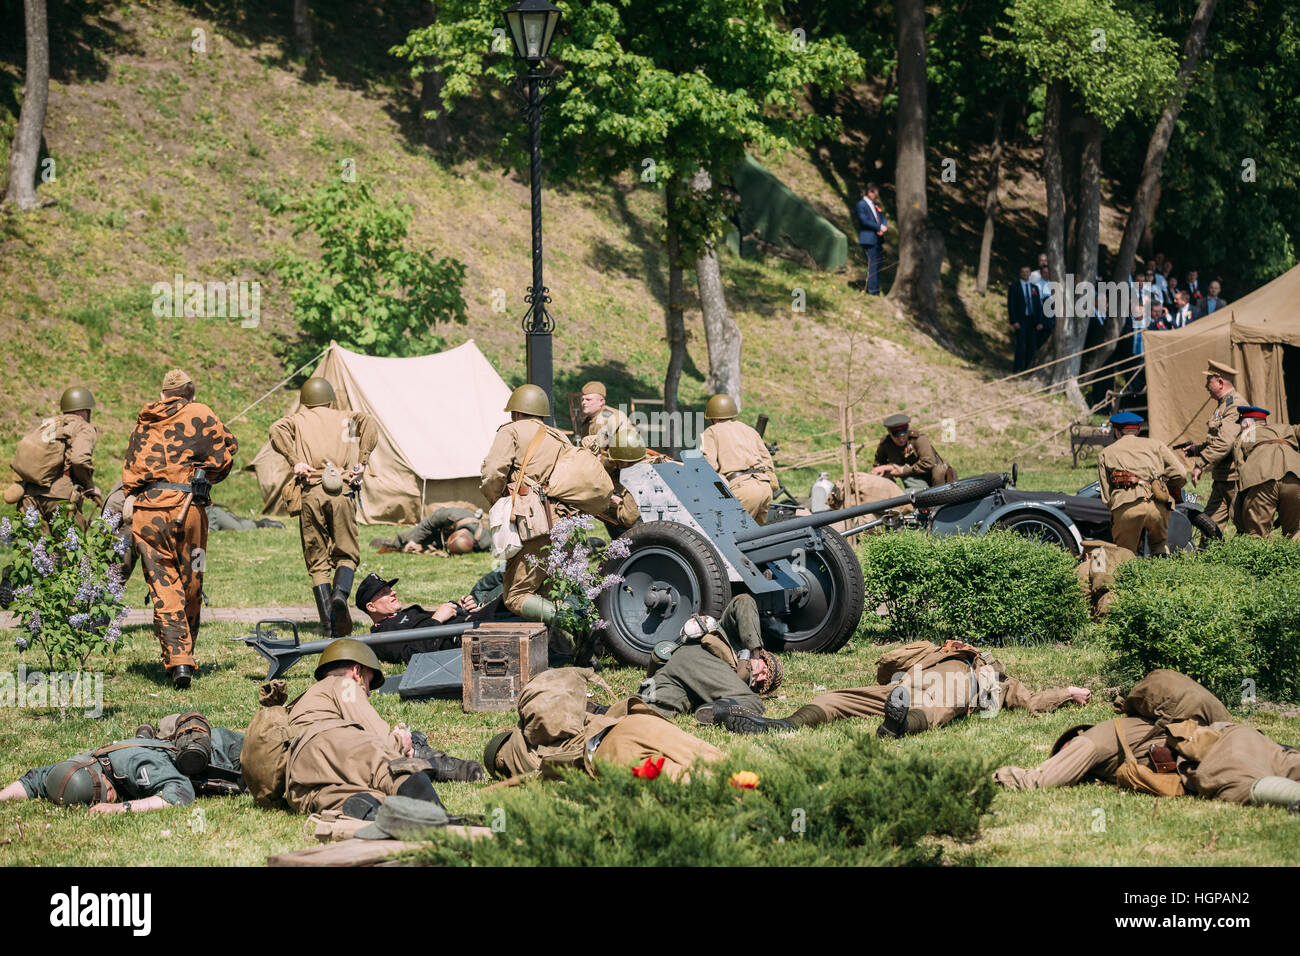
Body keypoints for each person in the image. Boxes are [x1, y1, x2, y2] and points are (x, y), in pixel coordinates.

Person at [715, 638, 1088, 738]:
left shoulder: (993, 678)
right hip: (906, 687)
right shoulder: (929, 651)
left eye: (966, 645)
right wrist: (927, 650)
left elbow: (1033, 701)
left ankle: (898, 726)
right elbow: (887, 665)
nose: (961, 645)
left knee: (937, 711)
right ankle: (788, 724)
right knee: (839, 697)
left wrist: (1067, 693)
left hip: (953, 690)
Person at [122, 370, 237, 688]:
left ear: (162, 395)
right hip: (190, 516)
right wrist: (203, 472)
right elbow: (226, 457)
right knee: (193, 579)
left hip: (148, 515)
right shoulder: (201, 412)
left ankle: (178, 659)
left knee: (164, 587)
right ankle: (183, 658)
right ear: (191, 394)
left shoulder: (144, 420)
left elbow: (130, 473)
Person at [284, 638, 481, 819]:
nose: (368, 693)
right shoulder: (344, 684)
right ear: (357, 672)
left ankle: (377, 813)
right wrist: (400, 741)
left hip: (297, 780)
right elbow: (381, 741)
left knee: (359, 797)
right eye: (368, 682)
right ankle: (437, 816)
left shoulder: (306, 699)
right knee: (393, 768)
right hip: (324, 743)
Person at [269, 377, 378, 638]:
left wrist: (295, 461)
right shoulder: (346, 417)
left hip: (311, 490)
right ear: (330, 398)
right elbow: (369, 424)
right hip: (340, 488)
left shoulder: (297, 419)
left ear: (305, 401)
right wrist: (362, 462)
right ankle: (339, 596)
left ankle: (329, 625)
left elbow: (276, 430)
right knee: (347, 554)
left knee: (317, 562)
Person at [481, 668, 725, 782]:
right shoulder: (576, 720)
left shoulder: (524, 757)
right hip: (636, 721)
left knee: (698, 784)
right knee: (728, 767)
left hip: (610, 752)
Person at [0, 712, 245, 813]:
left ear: (104, 780)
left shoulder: (138, 766)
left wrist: (121, 808)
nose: (110, 798)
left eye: (104, 796)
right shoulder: (76, 768)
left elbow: (180, 794)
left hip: (231, 754)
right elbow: (33, 781)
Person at [480, 384, 579, 619]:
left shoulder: (511, 431)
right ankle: (570, 650)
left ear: (515, 412)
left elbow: (493, 471)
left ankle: (578, 626)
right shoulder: (560, 437)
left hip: (532, 524)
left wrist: (500, 503)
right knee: (547, 593)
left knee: (516, 596)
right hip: (564, 521)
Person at [637, 596, 780, 721]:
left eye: (762, 685)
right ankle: (719, 712)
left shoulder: (735, 684)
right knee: (752, 702)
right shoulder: (734, 637)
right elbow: (743, 601)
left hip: (678, 671)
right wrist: (754, 653)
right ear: (763, 656)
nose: (760, 678)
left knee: (648, 707)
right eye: (765, 671)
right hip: (698, 656)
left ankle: (618, 712)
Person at [5, 386, 99, 532]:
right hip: (60, 499)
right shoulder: (82, 427)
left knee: (35, 551)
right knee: (69, 550)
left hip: (29, 496)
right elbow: (79, 460)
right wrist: (89, 486)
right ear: (84, 410)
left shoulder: (50, 423)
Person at [1096, 411, 1187, 554]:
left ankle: (1129, 576)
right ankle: (1162, 573)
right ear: (1138, 430)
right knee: (1160, 545)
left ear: (1117, 432)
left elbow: (1106, 495)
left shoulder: (1106, 453)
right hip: (1157, 505)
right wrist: (1163, 487)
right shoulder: (1157, 445)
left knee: (1125, 552)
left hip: (1127, 506)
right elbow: (1181, 474)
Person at [1178, 360, 1248, 531]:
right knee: (1209, 526)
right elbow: (1218, 440)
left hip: (1235, 479)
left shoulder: (1235, 405)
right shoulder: (1223, 405)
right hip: (1222, 478)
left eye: (1208, 381)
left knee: (1248, 526)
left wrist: (1200, 462)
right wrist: (1197, 449)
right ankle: (1207, 556)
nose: (1205, 386)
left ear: (1220, 382)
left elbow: (1226, 442)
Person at [355, 572, 484, 663]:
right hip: (466, 638)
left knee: (498, 582)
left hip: (472, 622)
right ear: (371, 607)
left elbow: (441, 617)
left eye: (390, 590)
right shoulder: (380, 637)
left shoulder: (406, 613)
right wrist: (437, 619)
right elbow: (413, 655)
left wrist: (460, 607)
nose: (393, 592)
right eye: (385, 593)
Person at [698, 394, 779, 525]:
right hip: (765, 488)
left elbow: (709, 466)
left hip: (743, 489)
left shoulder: (711, 431)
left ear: (713, 417)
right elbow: (767, 460)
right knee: (758, 538)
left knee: (730, 535)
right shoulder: (749, 429)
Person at [1230, 406, 1300, 538]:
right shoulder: (1287, 428)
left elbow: (1239, 465)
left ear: (1247, 423)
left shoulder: (1248, 434)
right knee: (1295, 530)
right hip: (1295, 477)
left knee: (1257, 534)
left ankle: (1263, 557)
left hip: (1262, 479)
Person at [871, 413, 952, 490]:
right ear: (889, 432)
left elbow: (928, 462)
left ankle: (941, 498)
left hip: (933, 476)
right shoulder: (886, 444)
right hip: (912, 478)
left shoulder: (918, 439)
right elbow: (878, 464)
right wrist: (884, 473)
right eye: (897, 436)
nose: (901, 438)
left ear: (907, 429)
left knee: (939, 470)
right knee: (882, 474)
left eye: (904, 434)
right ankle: (892, 498)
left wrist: (904, 471)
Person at [370, 506, 489, 555]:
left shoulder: (484, 541)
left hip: (446, 537)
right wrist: (414, 541)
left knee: (429, 545)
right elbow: (428, 524)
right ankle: (390, 542)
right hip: (441, 529)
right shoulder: (451, 515)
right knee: (409, 538)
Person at [1007, 265, 1044, 373]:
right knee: (1020, 344)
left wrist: (1040, 321)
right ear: (1020, 273)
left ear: (1030, 273)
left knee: (1031, 345)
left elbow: (1038, 306)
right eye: (1023, 272)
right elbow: (1011, 305)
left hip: (1032, 320)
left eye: (1027, 272)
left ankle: (1028, 368)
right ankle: (1017, 368)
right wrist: (1014, 321)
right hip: (1021, 319)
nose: (1025, 274)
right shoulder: (1014, 286)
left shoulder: (1034, 288)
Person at [576, 381, 632, 449]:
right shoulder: (589, 420)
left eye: (588, 400)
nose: (584, 402)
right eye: (582, 400)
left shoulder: (611, 417)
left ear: (601, 401)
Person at [855, 183, 888, 295]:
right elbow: (864, 221)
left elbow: (882, 217)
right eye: (875, 193)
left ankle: (875, 288)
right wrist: (878, 227)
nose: (876, 196)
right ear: (869, 192)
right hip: (868, 238)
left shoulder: (876, 205)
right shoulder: (861, 205)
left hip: (878, 238)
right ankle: (873, 291)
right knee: (872, 264)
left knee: (878, 264)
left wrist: (883, 226)